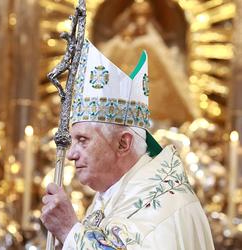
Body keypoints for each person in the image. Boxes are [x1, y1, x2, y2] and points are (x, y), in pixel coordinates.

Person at [41, 39, 215, 249]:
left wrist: (69, 231)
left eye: (83, 140)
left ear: (123, 143)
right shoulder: (114, 196)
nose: (71, 154)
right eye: (73, 140)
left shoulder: (163, 207)